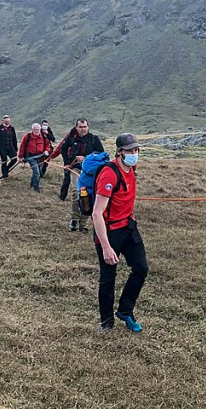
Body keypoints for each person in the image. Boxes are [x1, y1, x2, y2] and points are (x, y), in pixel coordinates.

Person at [92, 132, 148, 333]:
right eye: (129, 150)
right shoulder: (109, 174)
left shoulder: (132, 167)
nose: (134, 153)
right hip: (109, 231)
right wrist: (106, 246)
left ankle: (125, 310)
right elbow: (97, 213)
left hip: (128, 227)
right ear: (118, 152)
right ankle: (106, 323)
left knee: (141, 268)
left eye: (136, 149)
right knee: (108, 278)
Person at [60, 117, 105, 232]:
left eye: (85, 127)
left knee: (87, 195)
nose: (83, 129)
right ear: (76, 127)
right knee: (76, 192)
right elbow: (63, 149)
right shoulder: (71, 138)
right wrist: (66, 163)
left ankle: (83, 223)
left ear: (88, 127)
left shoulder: (94, 139)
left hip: (89, 172)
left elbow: (101, 155)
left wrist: (85, 158)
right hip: (75, 168)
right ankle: (74, 219)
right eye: (80, 127)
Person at [17, 122, 52, 192]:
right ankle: (36, 187)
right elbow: (22, 146)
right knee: (36, 172)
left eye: (38, 129)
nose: (37, 131)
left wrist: (47, 151)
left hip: (41, 157)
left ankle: (32, 183)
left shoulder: (44, 137)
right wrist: (20, 157)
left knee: (38, 171)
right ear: (32, 130)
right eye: (35, 130)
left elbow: (48, 145)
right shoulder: (27, 136)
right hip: (31, 158)